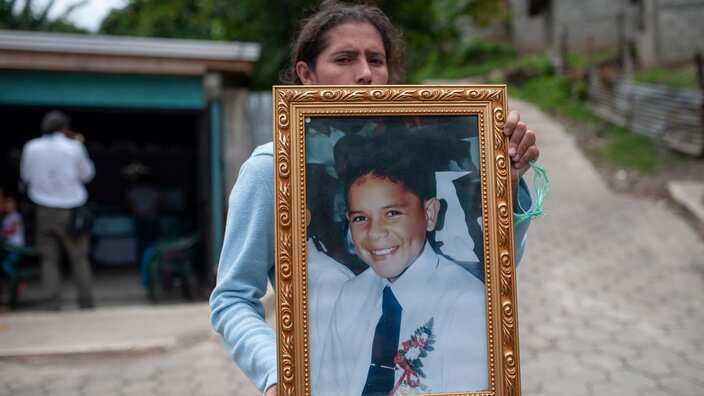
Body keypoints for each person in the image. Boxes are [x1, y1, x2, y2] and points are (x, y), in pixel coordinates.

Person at [209, 2, 540, 395]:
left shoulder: (423, 157)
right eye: (344, 58)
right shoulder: (272, 170)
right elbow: (232, 296)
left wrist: (508, 179)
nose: (365, 74)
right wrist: (278, 375)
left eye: (376, 60)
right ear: (307, 75)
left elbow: (494, 272)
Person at [317, 138, 487, 395]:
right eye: (360, 218)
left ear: (429, 214)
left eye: (392, 213)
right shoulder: (350, 296)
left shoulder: (467, 301)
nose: (374, 233)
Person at [20, 110, 96, 310]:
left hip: (43, 209)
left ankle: (52, 303)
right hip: (70, 210)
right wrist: (79, 144)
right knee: (79, 257)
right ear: (65, 128)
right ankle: (86, 301)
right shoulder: (74, 147)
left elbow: (26, 177)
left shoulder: (31, 147)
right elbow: (87, 175)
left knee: (49, 259)